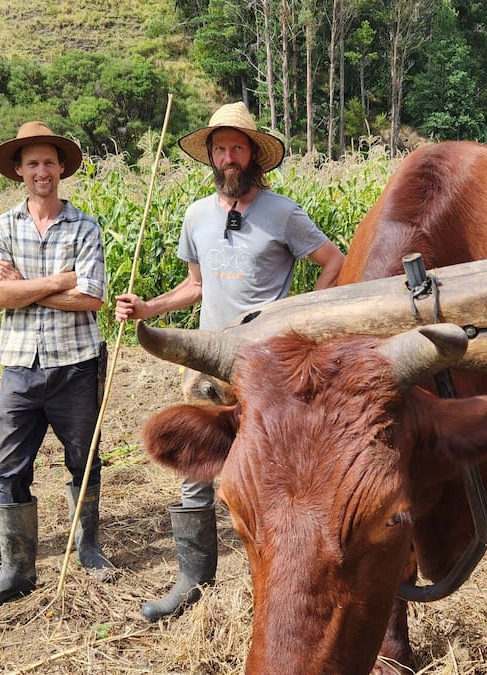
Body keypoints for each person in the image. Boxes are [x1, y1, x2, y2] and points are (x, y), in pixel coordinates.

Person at [115, 102, 345, 621]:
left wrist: (298, 316)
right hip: (207, 361)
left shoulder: (282, 212)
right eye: (220, 149)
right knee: (195, 468)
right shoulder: (197, 215)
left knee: (275, 470)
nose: (228, 157)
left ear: (253, 155)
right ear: (212, 158)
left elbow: (333, 261)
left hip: (266, 366)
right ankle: (192, 581)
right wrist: (149, 308)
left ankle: (283, 579)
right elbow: (195, 286)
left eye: (236, 147)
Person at [0, 122, 113, 610]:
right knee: (9, 467)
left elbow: (92, 298)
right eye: (32, 163)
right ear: (19, 171)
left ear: (61, 168)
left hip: (76, 364)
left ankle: (87, 546)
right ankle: (17, 569)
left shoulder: (85, 226)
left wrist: (23, 287)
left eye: (49, 162)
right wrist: (58, 280)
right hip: (20, 365)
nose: (41, 171)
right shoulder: (5, 226)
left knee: (83, 459)